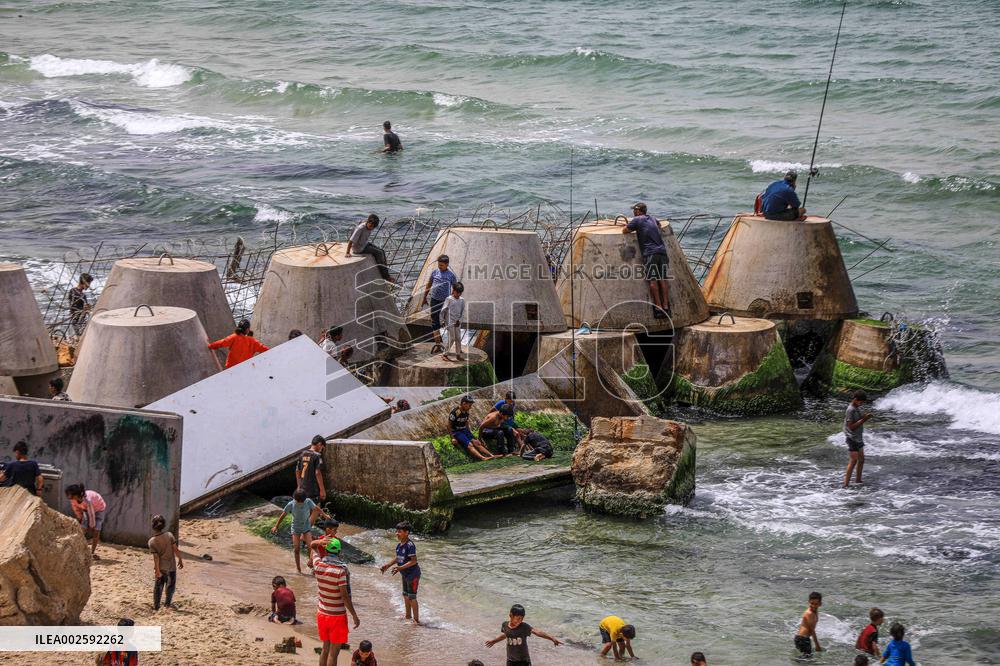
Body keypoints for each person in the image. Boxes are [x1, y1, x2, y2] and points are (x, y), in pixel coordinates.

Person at [313, 538, 360, 666]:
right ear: (339, 552)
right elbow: (345, 597)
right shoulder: (340, 572)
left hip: (322, 613)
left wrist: (319, 543)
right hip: (337, 616)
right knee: (334, 653)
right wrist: (354, 615)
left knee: (325, 648)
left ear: (326, 550)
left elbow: (312, 547)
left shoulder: (318, 565)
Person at [622, 202, 671, 318]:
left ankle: (658, 308)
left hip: (650, 254)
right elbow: (658, 225)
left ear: (638, 211)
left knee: (652, 281)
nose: (633, 212)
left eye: (634, 210)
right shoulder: (653, 218)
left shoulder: (637, 219)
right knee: (662, 280)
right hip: (662, 252)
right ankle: (666, 307)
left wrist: (630, 225)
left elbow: (625, 230)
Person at [485, 603, 562, 666]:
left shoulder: (524, 626)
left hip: (524, 661)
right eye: (518, 618)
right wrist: (494, 641)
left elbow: (537, 632)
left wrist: (551, 638)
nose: (519, 621)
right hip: (510, 660)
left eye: (522, 619)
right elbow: (506, 635)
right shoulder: (505, 625)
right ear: (511, 615)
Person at [271, 489, 325, 574]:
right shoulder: (291, 504)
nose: (300, 503)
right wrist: (276, 526)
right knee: (296, 549)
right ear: (295, 499)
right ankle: (299, 569)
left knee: (311, 547)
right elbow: (283, 515)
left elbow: (316, 508)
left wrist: (325, 515)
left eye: (302, 502)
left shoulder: (308, 501)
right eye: (299, 502)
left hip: (306, 527)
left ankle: (312, 565)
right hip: (295, 528)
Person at [380, 521, 421, 625]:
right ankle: (408, 616)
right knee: (405, 595)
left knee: (412, 597)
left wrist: (400, 568)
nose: (397, 534)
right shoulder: (399, 545)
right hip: (405, 574)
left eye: (399, 532)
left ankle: (416, 620)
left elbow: (414, 561)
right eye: (396, 531)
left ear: (407, 532)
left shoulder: (410, 545)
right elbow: (398, 558)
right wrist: (387, 565)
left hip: (413, 574)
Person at [420, 254, 458, 353]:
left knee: (447, 322)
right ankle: (437, 345)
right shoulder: (435, 272)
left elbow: (455, 288)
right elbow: (429, 284)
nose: (439, 267)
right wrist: (424, 298)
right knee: (435, 323)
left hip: (445, 302)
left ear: (447, 264)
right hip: (434, 300)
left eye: (441, 265)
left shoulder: (451, 275)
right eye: (439, 265)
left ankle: (449, 346)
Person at [149, 514, 182, 611]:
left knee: (158, 587)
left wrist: (157, 570)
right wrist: (180, 559)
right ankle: (167, 605)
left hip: (161, 567)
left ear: (153, 526)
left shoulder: (152, 541)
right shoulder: (169, 535)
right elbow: (175, 549)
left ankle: (156, 606)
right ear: (163, 525)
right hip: (171, 567)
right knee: (170, 586)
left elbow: (156, 557)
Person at [346, 213, 393, 283]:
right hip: (359, 248)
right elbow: (351, 241)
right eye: (370, 225)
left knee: (382, 251)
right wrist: (347, 252)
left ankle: (384, 267)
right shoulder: (360, 228)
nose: (371, 228)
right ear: (368, 222)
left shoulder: (370, 225)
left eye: (373, 227)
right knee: (379, 253)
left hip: (365, 244)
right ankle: (386, 276)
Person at [449, 395, 497, 461]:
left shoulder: (466, 411)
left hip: (464, 430)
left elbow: (466, 422)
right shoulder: (455, 412)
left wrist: (469, 433)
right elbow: (449, 424)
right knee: (470, 445)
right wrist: (452, 438)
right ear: (464, 404)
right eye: (469, 405)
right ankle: (483, 458)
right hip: (457, 432)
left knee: (476, 442)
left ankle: (491, 455)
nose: (470, 407)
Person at [66, 483, 106, 559]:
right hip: (86, 510)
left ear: (76, 495)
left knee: (96, 531)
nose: (68, 496)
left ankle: (92, 552)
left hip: (99, 510)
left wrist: (92, 526)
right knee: (82, 529)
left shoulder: (88, 500)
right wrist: (80, 518)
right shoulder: (73, 500)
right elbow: (76, 509)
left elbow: (91, 514)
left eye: (70, 494)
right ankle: (76, 550)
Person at [844, 390, 873, 487]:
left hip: (858, 438)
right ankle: (845, 484)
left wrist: (863, 416)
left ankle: (858, 480)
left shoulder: (856, 408)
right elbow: (851, 426)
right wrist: (864, 419)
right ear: (856, 400)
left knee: (861, 460)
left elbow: (857, 419)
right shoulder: (850, 410)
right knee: (853, 461)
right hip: (852, 438)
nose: (861, 404)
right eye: (861, 402)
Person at [295, 435, 327, 503]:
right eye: (322, 448)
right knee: (315, 508)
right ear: (319, 444)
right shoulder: (317, 456)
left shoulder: (302, 454)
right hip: (312, 489)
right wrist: (322, 489)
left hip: (302, 488)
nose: (321, 451)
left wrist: (298, 486)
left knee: (305, 507)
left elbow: (297, 471)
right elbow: (317, 473)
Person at [441, 281, 466, 361]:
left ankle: (458, 354)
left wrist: (460, 320)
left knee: (458, 338)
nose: (458, 294)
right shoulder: (449, 299)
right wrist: (442, 320)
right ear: (453, 290)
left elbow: (462, 312)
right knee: (451, 338)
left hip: (457, 322)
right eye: (457, 292)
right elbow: (443, 310)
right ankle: (445, 353)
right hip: (449, 322)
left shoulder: (462, 300)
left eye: (460, 293)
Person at [794, 591, 824, 656]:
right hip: (802, 639)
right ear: (808, 602)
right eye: (812, 603)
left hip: (803, 639)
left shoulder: (815, 611)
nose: (813, 606)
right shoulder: (809, 613)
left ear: (820, 604)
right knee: (807, 660)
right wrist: (817, 645)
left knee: (806, 659)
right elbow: (812, 630)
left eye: (816, 604)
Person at [67, 272, 93, 338]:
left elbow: (85, 308)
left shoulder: (83, 295)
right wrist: (84, 309)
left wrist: (87, 307)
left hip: (82, 320)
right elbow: (72, 306)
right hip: (76, 320)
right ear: (84, 282)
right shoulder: (73, 291)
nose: (89, 285)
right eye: (89, 283)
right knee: (81, 337)